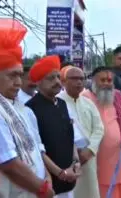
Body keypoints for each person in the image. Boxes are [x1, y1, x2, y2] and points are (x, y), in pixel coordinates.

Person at [0, 18, 54, 198]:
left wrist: (46, 177)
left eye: (19, 75)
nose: (18, 82)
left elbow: (36, 152)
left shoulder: (19, 107)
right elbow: (9, 164)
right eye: (12, 76)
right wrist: (42, 188)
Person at [26, 55, 78, 198]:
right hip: (49, 182)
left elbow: (70, 135)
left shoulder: (62, 104)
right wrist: (60, 173)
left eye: (57, 77)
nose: (56, 82)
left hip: (70, 176)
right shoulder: (30, 109)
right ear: (38, 83)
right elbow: (36, 148)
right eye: (50, 78)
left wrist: (75, 162)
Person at [58, 66, 104, 198]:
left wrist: (90, 150)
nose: (78, 82)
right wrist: (74, 154)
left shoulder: (88, 103)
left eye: (81, 79)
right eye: (74, 78)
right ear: (64, 81)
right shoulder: (56, 102)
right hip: (67, 161)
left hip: (88, 157)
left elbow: (99, 128)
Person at [83, 67, 121, 198]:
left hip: (116, 154)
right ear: (93, 81)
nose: (107, 83)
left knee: (119, 187)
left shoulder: (116, 96)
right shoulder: (85, 98)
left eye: (109, 80)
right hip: (96, 156)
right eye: (102, 80)